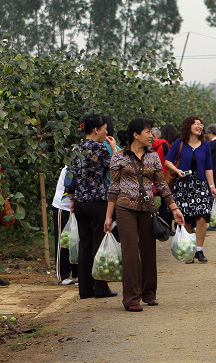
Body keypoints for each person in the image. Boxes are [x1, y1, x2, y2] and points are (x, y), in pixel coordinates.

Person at [105, 118, 186, 312]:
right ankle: (132, 298)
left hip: (148, 209)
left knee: (149, 252)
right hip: (125, 209)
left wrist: (174, 209)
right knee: (131, 253)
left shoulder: (153, 157)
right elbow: (113, 189)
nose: (152, 135)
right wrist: (109, 217)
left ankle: (149, 293)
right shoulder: (119, 158)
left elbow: (162, 185)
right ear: (136, 135)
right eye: (148, 132)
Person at [70, 114, 119, 300]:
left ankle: (85, 289)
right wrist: (114, 148)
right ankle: (100, 287)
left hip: (81, 202)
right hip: (98, 201)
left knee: (85, 245)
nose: (107, 131)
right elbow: (117, 167)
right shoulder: (100, 149)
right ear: (96, 130)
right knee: (99, 244)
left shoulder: (75, 148)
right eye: (104, 128)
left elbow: (71, 176)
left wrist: (73, 199)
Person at [165, 116, 216, 263]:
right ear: (188, 126)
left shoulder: (205, 145)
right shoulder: (180, 143)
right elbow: (167, 160)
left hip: (200, 184)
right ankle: (189, 249)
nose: (200, 126)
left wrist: (212, 186)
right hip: (183, 184)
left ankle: (199, 250)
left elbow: (209, 167)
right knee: (186, 218)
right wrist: (176, 170)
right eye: (196, 124)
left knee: (202, 217)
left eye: (201, 124)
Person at [52, 166, 79, 286]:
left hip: (77, 206)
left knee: (76, 241)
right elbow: (70, 185)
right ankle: (62, 275)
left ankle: (77, 273)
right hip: (62, 207)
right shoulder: (71, 164)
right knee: (62, 240)